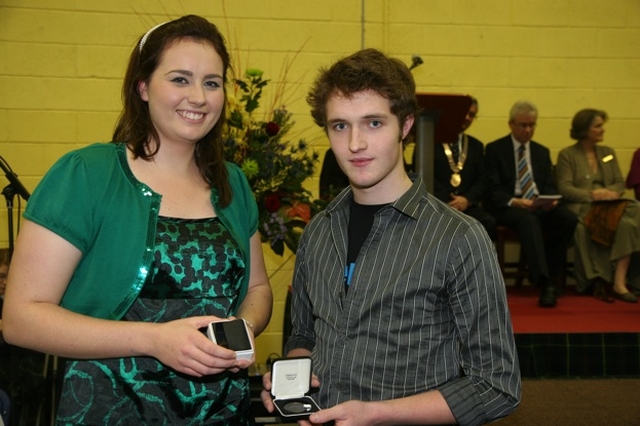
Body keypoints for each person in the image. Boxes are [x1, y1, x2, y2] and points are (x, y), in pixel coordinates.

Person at [2, 15, 272, 424]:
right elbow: (21, 319)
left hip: (221, 411)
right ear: (143, 87)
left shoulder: (231, 182)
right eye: (180, 79)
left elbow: (257, 288)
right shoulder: (87, 174)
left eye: (211, 82)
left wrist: (243, 328)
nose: (198, 96)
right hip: (110, 406)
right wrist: (154, 340)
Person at [261, 48, 520, 425]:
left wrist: (378, 415)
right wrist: (292, 377)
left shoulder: (459, 238)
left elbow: (497, 386)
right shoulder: (319, 230)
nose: (355, 144)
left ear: (406, 125)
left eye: (374, 123)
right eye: (340, 126)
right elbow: (304, 332)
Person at [484, 100, 577, 308]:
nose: (528, 130)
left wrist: (550, 200)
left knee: (567, 218)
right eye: (523, 125)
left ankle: (552, 273)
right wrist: (516, 201)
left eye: (532, 125)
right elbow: (493, 189)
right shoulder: (495, 149)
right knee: (528, 221)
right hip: (510, 206)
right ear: (511, 124)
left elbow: (549, 185)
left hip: (536, 203)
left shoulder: (541, 151)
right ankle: (544, 282)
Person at [556, 109, 640, 302]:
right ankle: (601, 279)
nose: (603, 130)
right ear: (585, 129)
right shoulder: (568, 155)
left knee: (632, 217)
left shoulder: (607, 153)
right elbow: (565, 188)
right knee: (603, 225)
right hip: (583, 206)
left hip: (610, 206)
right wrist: (592, 195)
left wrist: (610, 193)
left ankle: (620, 281)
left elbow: (620, 183)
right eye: (598, 126)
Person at [433, 97, 497, 240]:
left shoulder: (476, 146)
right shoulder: (430, 141)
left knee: (488, 222)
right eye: (465, 113)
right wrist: (448, 201)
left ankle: (480, 262)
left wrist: (466, 200)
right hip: (438, 204)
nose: (468, 118)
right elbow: (426, 176)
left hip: (467, 205)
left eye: (472, 115)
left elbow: (482, 179)